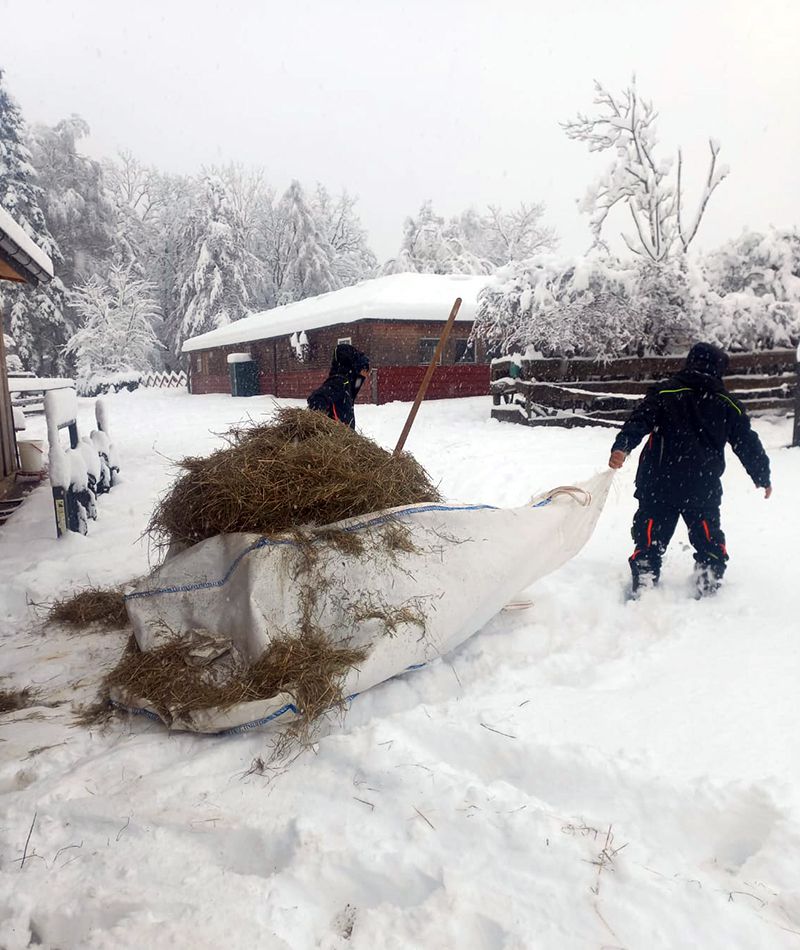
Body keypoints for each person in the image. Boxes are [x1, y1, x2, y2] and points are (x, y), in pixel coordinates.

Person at [608, 342, 772, 597]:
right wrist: (762, 474)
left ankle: (646, 571)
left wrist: (622, 447)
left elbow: (638, 421)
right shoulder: (727, 404)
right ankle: (708, 573)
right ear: (719, 370)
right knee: (708, 536)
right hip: (701, 486)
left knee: (650, 532)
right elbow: (747, 442)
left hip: (658, 482)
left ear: (690, 362)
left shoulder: (665, 393)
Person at [307, 342, 370, 429]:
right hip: (337, 438)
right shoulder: (340, 382)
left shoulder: (348, 384)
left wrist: (360, 376)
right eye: (364, 369)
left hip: (346, 438)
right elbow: (316, 399)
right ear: (351, 365)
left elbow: (355, 387)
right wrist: (329, 428)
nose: (367, 374)